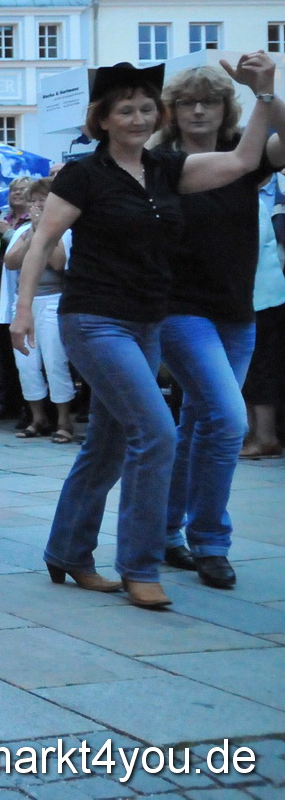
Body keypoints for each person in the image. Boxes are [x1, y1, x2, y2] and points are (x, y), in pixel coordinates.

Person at [14, 56, 280, 610]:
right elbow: (40, 243)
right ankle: (140, 566)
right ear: (102, 120)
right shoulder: (85, 174)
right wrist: (21, 313)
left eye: (144, 108)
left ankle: (67, 550)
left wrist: (263, 92)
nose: (137, 118)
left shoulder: (165, 169)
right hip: (93, 320)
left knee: (108, 446)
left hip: (146, 322)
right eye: (124, 110)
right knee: (158, 432)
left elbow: (245, 158)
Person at [153, 65, 285, 590]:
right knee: (228, 419)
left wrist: (268, 91)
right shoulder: (161, 163)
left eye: (209, 102)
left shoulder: (242, 156)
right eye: (189, 103)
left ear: (225, 109)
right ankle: (211, 541)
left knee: (200, 421)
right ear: (175, 111)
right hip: (180, 309)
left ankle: (165, 532)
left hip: (237, 311)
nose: (200, 111)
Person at [4, 179, 74, 442]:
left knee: (56, 362)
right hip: (25, 303)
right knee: (27, 364)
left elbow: (58, 262)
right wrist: (33, 231)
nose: (37, 204)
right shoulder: (23, 230)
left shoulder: (65, 230)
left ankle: (64, 421)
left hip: (53, 301)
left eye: (42, 199)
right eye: (33, 200)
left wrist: (45, 230)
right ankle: (38, 417)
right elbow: (11, 262)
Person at [242, 172, 285, 459]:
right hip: (253, 293)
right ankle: (254, 433)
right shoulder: (246, 194)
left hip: (267, 294)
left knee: (262, 366)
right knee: (253, 366)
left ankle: (265, 436)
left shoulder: (265, 197)